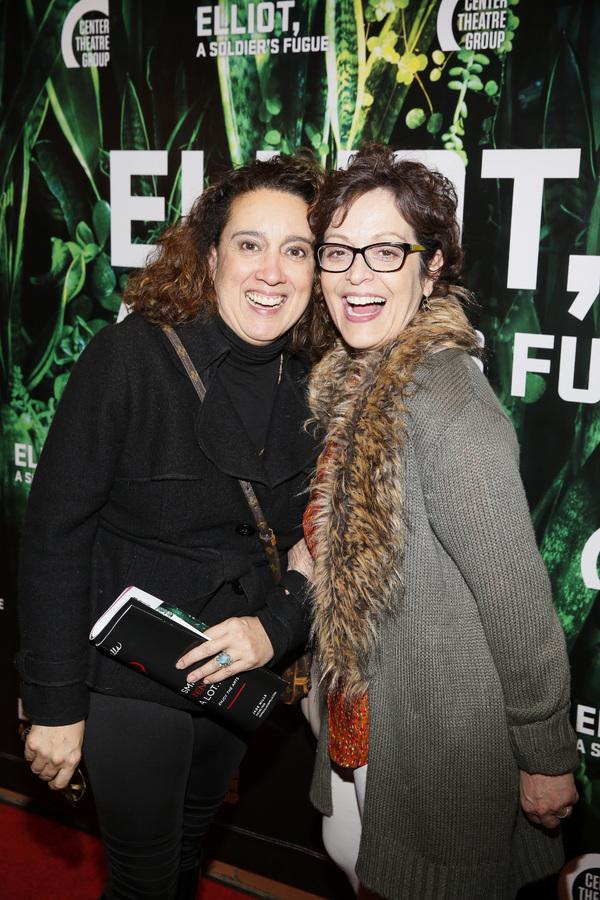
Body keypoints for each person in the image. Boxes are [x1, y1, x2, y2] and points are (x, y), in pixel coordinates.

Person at [16, 151, 322, 900]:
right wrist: (54, 705)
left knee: (187, 854)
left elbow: (326, 538)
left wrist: (276, 631)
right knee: (145, 877)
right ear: (211, 255)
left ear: (319, 271)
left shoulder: (320, 378)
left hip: (236, 669)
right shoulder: (131, 358)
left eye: (298, 250)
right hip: (130, 671)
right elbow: (56, 536)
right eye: (250, 244)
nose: (271, 272)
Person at [301, 142, 579, 900]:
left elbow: (518, 603)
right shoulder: (362, 384)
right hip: (369, 737)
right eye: (338, 251)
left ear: (432, 270)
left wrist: (547, 752)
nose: (357, 275)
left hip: (441, 752)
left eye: (386, 251)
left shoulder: (449, 405)